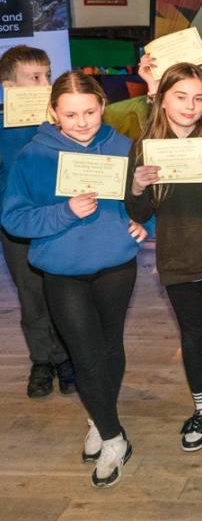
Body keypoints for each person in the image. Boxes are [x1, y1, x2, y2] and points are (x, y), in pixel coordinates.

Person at [2, 71, 148, 487]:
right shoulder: (33, 155)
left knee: (108, 347)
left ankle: (97, 417)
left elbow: (141, 200)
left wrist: (143, 222)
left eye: (89, 111)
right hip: (62, 270)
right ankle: (113, 435)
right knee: (84, 354)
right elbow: (13, 218)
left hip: (116, 265)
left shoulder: (122, 146)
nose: (82, 122)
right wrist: (65, 211)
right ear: (53, 113)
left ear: (103, 107)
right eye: (70, 114)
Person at [127, 63, 202, 452]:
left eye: (198, 98)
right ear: (162, 100)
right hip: (176, 257)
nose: (190, 106)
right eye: (181, 97)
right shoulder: (144, 149)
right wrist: (136, 184)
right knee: (192, 337)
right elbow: (139, 211)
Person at [0, 45, 74, 398]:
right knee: (31, 296)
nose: (45, 83)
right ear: (9, 86)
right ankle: (42, 360)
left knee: (61, 291)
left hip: (61, 221)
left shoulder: (63, 121)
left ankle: (66, 357)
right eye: (35, 78)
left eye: (48, 75)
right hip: (17, 227)